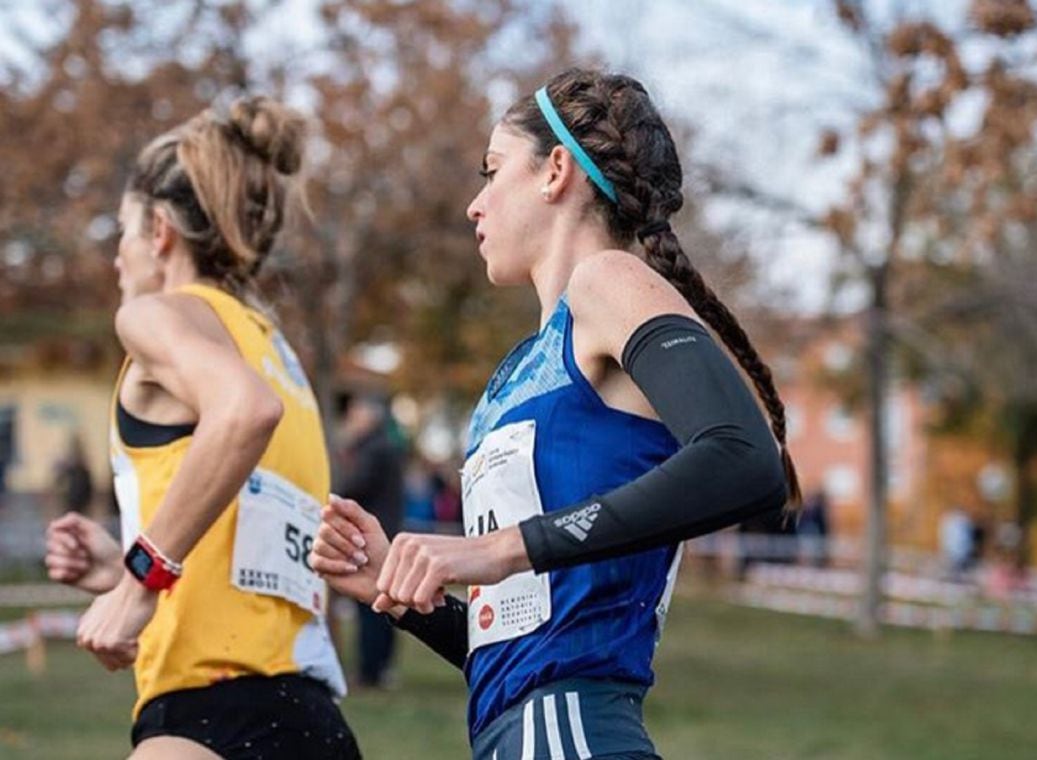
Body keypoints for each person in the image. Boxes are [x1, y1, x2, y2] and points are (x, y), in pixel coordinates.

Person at [312, 68, 798, 759]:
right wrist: (404, 592)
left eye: (492, 170)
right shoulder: (519, 370)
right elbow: (526, 648)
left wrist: (499, 547)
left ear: (556, 172)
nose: (474, 205)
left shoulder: (610, 280)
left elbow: (746, 457)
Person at [43, 96, 360, 760]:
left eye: (121, 233)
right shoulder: (277, 352)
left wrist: (137, 583)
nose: (115, 260)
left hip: (206, 721)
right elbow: (256, 553)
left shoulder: (154, 316)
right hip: (313, 723)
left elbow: (242, 413)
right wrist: (121, 562)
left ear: (160, 232)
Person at [335, 392, 404, 689]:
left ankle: (370, 671)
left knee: (372, 606)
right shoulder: (386, 446)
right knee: (386, 604)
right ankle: (382, 668)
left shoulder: (372, 450)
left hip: (372, 537)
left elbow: (354, 487)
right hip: (388, 530)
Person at [54, 432, 94, 517]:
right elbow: (58, 480)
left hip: (79, 500)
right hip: (72, 501)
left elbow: (88, 485)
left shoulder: (82, 466)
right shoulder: (69, 465)